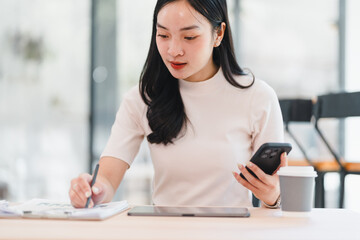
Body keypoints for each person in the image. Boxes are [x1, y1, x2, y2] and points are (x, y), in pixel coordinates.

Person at [69, 0, 287, 209]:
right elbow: (107, 178)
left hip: (232, 231)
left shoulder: (258, 97)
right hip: (165, 231)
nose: (174, 50)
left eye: (189, 37)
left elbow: (277, 194)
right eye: (163, 35)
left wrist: (273, 196)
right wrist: (92, 191)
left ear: (218, 33)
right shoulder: (141, 98)